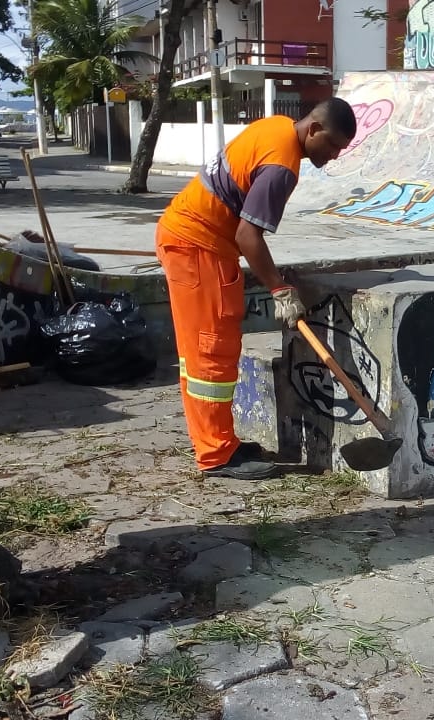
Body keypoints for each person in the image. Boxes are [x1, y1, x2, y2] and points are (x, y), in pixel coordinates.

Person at [155, 98, 358, 481]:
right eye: (332, 145)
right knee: (210, 352)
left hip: (196, 241)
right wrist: (280, 290)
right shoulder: (282, 166)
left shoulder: (276, 126)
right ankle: (216, 455)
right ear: (313, 129)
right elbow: (248, 236)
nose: (333, 156)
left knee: (205, 351)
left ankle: (219, 439)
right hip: (198, 247)